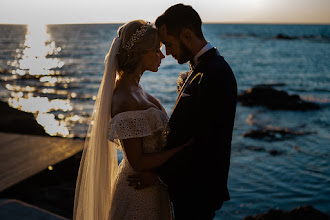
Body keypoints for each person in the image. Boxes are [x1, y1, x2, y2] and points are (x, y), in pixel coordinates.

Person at [73, 20, 192, 220]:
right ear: (139, 54)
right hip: (138, 193)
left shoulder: (135, 90)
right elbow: (137, 162)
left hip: (153, 187)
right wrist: (182, 148)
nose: (162, 56)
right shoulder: (125, 99)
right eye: (156, 50)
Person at [128, 4, 237, 220]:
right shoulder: (202, 70)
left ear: (187, 35)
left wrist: (158, 175)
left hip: (198, 190)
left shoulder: (214, 74)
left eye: (168, 44)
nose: (166, 53)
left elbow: (205, 142)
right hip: (188, 187)